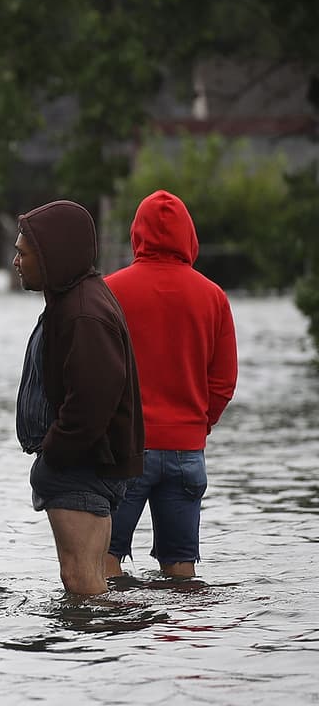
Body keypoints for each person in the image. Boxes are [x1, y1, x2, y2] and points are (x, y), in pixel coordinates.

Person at [12, 200, 144, 596]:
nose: (16, 262)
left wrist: (55, 454)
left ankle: (112, 637)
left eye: (23, 253)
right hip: (81, 464)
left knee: (81, 581)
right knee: (90, 580)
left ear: (52, 255)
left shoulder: (83, 312)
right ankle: (112, 634)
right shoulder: (72, 301)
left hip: (81, 466)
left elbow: (92, 401)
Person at [103, 190, 237, 578]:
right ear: (189, 236)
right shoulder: (213, 296)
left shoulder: (109, 291)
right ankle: (183, 620)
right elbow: (224, 381)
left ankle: (118, 620)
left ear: (137, 233)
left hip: (126, 449)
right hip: (187, 450)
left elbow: (97, 372)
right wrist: (196, 425)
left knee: (102, 562)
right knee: (181, 569)